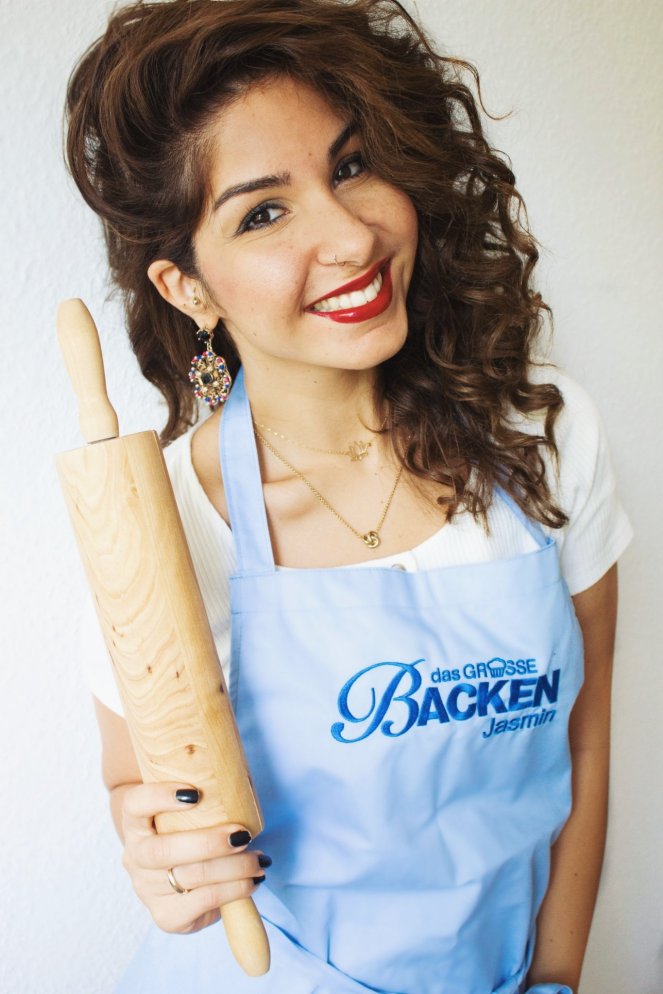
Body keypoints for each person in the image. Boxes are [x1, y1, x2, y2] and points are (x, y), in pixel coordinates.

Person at [65, 1, 632, 992]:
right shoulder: (167, 525)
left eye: (352, 165)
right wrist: (160, 854)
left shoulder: (543, 438)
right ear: (189, 288)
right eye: (263, 212)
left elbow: (584, 733)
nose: (351, 236)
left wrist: (557, 976)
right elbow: (140, 785)